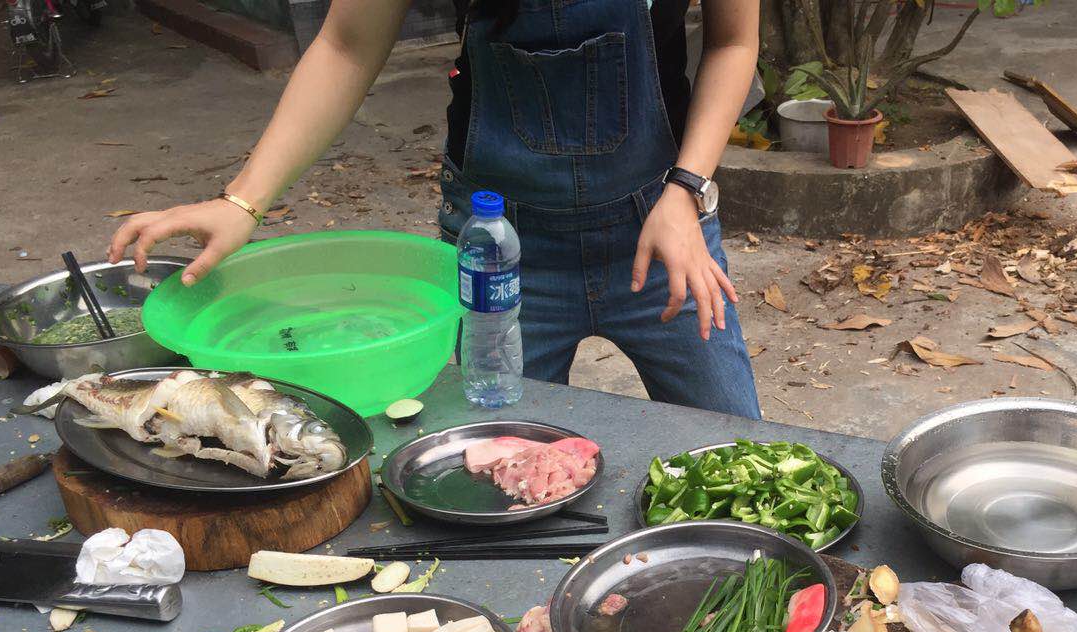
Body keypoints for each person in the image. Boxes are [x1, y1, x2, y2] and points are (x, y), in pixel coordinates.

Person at [108, 0, 762, 419]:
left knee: (751, 464)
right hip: (498, 246)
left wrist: (686, 190)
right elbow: (346, 44)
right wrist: (242, 202)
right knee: (487, 475)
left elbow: (734, 42)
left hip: (664, 234)